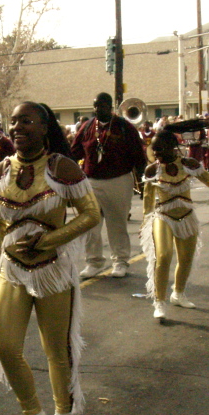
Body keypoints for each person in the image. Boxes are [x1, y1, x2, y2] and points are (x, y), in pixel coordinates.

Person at [0, 102, 100, 415]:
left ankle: (63, 412)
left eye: (27, 121)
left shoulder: (61, 167)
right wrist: (1, 261)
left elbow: (91, 214)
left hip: (53, 271)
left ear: (44, 127)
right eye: (14, 121)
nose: (18, 127)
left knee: (56, 350)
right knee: (5, 346)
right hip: (13, 271)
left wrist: (49, 239)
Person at [140, 129, 209, 321]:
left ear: (172, 147)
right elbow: (148, 200)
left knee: (185, 259)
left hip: (187, 217)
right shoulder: (152, 170)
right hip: (163, 216)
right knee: (163, 255)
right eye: (154, 150)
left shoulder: (188, 164)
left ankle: (178, 294)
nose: (155, 154)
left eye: (159, 150)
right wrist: (145, 223)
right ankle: (159, 302)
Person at [70, 92, 146, 278]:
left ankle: (120, 261)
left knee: (117, 223)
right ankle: (94, 262)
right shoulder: (87, 127)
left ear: (110, 107)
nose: (98, 109)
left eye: (102, 105)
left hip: (118, 180)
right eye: (96, 105)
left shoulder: (124, 126)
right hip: (91, 181)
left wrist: (143, 180)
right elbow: (74, 152)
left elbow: (138, 155)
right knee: (91, 224)